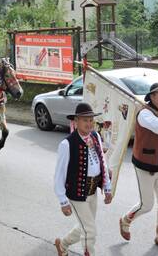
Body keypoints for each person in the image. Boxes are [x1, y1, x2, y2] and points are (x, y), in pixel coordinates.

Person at [119, 82, 158, 249]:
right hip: (146, 166)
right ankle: (126, 219)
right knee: (146, 205)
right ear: (152, 97)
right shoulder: (144, 114)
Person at [54, 103, 112, 256]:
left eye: (91, 120)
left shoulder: (95, 136)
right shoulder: (67, 144)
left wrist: (107, 187)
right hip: (77, 193)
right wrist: (63, 201)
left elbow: (102, 162)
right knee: (90, 231)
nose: (89, 123)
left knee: (85, 226)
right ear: (76, 121)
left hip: (92, 191)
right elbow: (59, 175)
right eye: (85, 120)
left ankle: (63, 244)